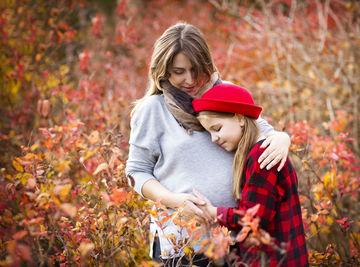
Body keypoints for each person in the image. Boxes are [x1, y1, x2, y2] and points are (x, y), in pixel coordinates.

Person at [125, 22, 291, 266]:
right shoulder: (152, 110)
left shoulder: (227, 94)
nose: (190, 80)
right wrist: (174, 200)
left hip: (236, 240)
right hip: (183, 244)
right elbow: (136, 172)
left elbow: (263, 132)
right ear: (164, 71)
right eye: (179, 71)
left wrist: (283, 138)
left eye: (196, 69)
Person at [192, 83, 308, 266]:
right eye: (209, 133)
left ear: (239, 118)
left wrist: (213, 212)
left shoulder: (261, 155)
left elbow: (254, 218)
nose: (214, 139)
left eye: (217, 128)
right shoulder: (257, 152)